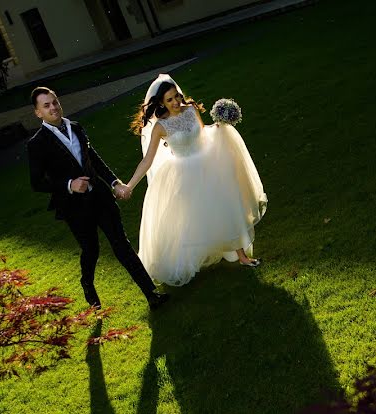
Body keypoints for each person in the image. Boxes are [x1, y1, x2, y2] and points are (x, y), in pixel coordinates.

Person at [26, 86, 168, 309]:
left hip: (100, 198)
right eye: (46, 105)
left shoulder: (76, 127)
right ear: (38, 113)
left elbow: (93, 159)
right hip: (74, 208)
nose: (53, 107)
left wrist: (114, 182)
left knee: (122, 245)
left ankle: (151, 294)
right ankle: (87, 283)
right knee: (91, 250)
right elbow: (37, 182)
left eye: (55, 102)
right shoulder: (36, 144)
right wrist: (69, 185)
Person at [120, 74, 268, 287]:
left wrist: (218, 126)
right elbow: (148, 160)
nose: (175, 102)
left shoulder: (191, 110)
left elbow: (203, 132)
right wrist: (130, 185)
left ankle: (242, 256)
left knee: (225, 206)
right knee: (190, 219)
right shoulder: (160, 127)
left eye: (176, 96)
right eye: (169, 100)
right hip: (183, 174)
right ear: (161, 103)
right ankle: (189, 260)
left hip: (208, 164)